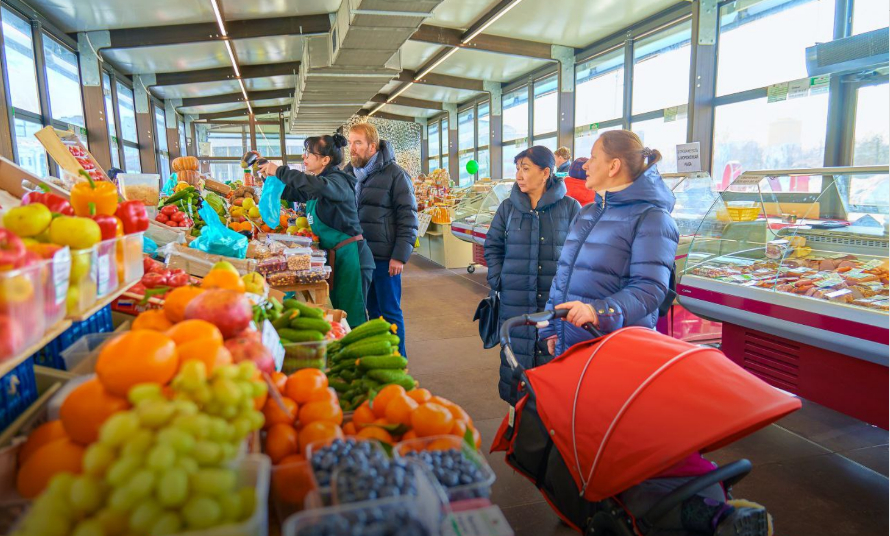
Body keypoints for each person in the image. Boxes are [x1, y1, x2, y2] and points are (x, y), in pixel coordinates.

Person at [540, 130, 679, 356]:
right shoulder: (586, 213)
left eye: (593, 157)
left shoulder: (653, 219)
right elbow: (563, 275)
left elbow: (649, 289)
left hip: (615, 349)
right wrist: (552, 327)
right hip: (571, 342)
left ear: (613, 166)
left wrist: (599, 312)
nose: (586, 165)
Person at [484, 146, 580, 404]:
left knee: (553, 376)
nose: (519, 175)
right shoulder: (508, 208)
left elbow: (580, 255)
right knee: (516, 368)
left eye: (525, 169)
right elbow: (492, 245)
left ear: (545, 172)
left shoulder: (570, 208)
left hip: (554, 303)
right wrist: (498, 279)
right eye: (517, 168)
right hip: (514, 300)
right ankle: (517, 422)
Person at [258, 134, 374, 325]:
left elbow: (315, 186)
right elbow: (290, 191)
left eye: (309, 153)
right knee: (339, 313)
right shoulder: (320, 183)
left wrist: (279, 170)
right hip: (337, 258)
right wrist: (268, 175)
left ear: (325, 160)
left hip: (352, 258)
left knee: (353, 316)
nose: (304, 157)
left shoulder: (338, 181)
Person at [346, 123, 418, 357]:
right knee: (372, 311)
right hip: (361, 256)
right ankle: (380, 358)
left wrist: (399, 256)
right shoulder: (350, 174)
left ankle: (398, 360)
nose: (352, 148)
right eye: (350, 143)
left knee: (390, 312)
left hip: (386, 259)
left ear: (372, 146)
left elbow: (408, 218)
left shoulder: (396, 175)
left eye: (358, 143)